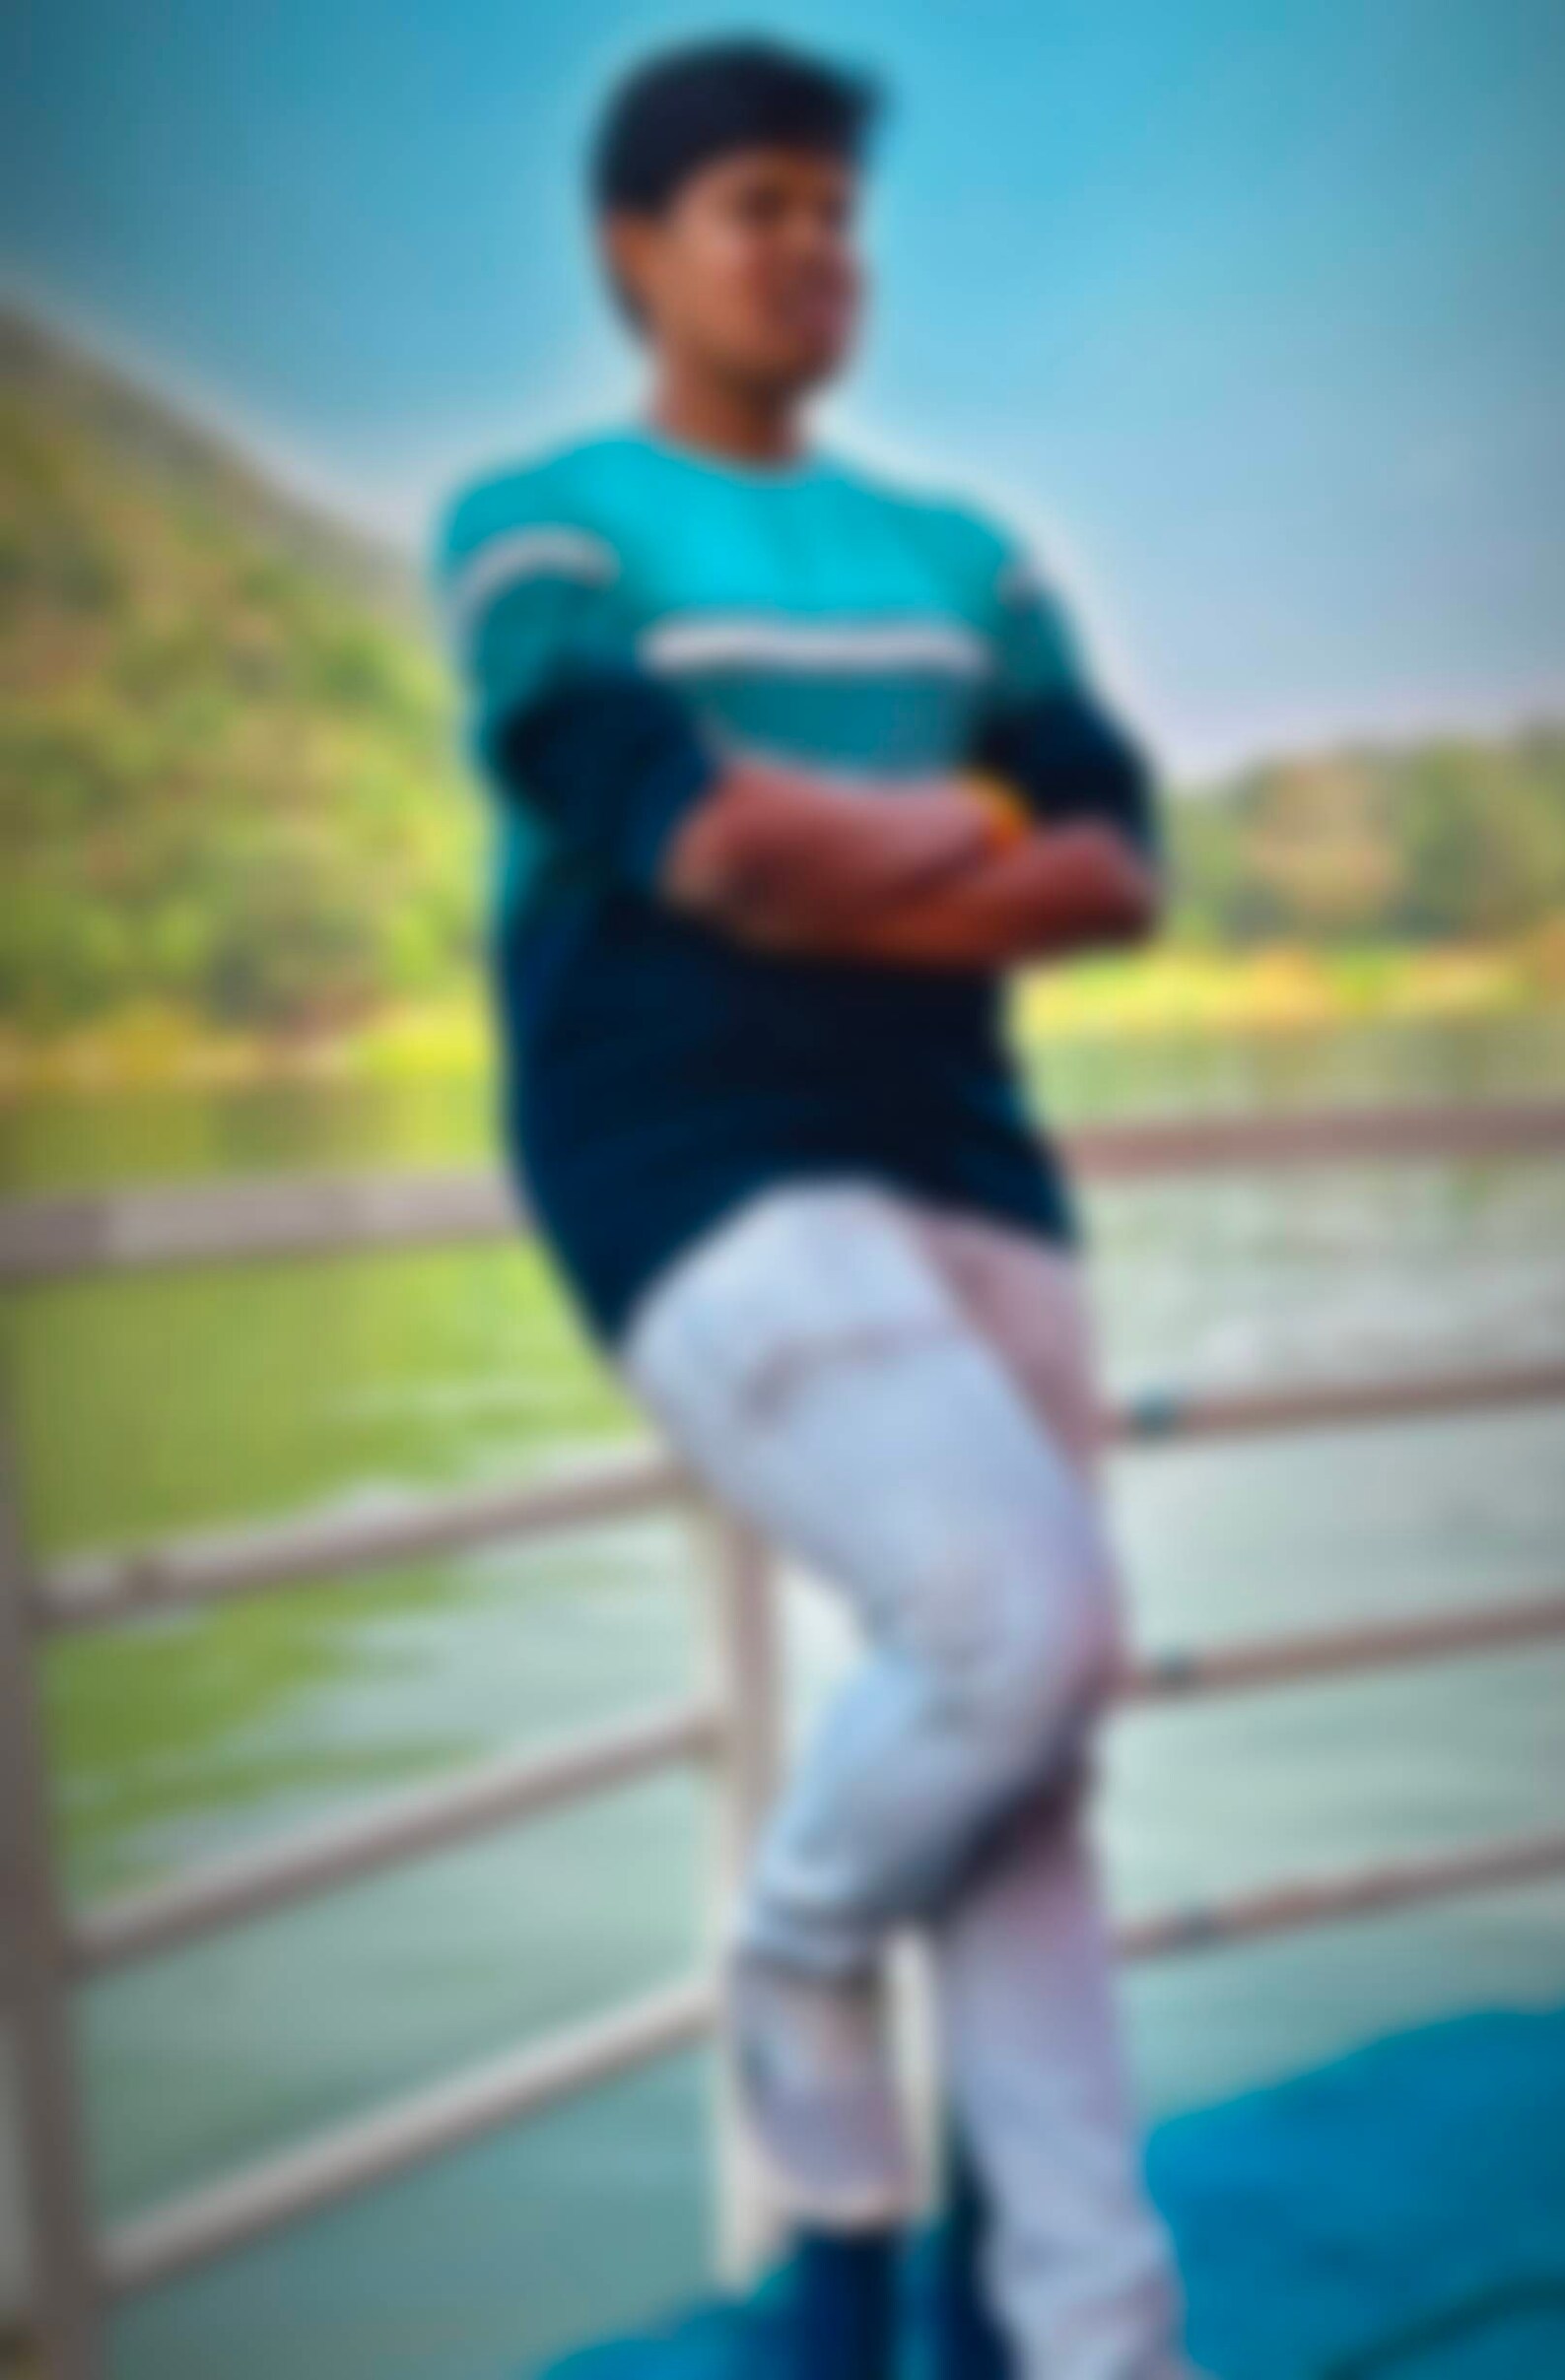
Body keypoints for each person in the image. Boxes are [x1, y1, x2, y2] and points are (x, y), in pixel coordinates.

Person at [434, 37, 1204, 2380]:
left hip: (972, 1154)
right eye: (757, 205)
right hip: (684, 1161)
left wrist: (861, 852)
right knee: (1016, 1620)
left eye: (837, 215)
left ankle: (1098, 2338)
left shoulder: (972, 559)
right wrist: (957, 831)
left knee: (1034, 1769)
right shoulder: (543, 527)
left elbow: (1116, 865)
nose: (810, 251)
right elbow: (697, 840)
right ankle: (792, 1946)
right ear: (634, 249)